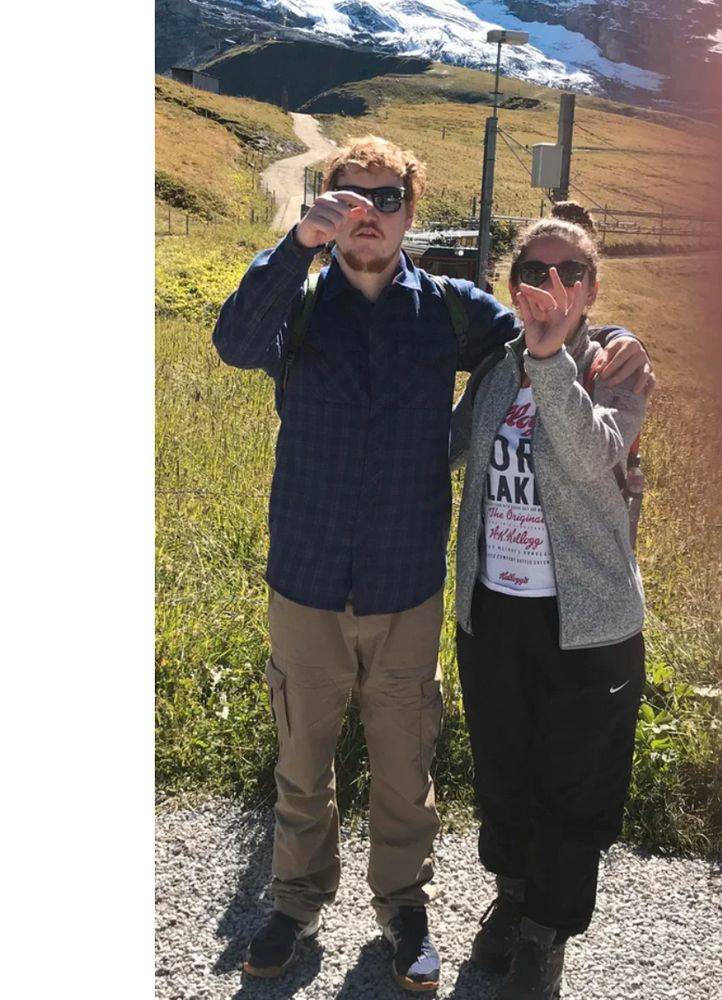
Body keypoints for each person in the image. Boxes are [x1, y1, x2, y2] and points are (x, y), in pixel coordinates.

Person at [211, 135, 654, 990]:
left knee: (406, 766)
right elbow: (233, 341)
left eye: (384, 198)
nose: (365, 213)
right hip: (303, 576)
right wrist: (294, 245)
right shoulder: (297, 305)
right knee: (302, 761)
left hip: (406, 584)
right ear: (325, 207)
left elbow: (550, 328)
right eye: (347, 197)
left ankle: (402, 905)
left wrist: (617, 338)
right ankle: (295, 902)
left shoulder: (453, 313)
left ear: (411, 214)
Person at [450, 212, 647, 1000]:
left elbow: (593, 453)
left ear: (592, 289)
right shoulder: (497, 369)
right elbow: (449, 445)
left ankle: (544, 934)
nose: (552, 286)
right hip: (496, 610)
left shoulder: (618, 367)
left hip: (590, 623)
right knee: (504, 771)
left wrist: (552, 360)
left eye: (570, 273)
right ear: (515, 284)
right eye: (536, 271)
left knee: (573, 785)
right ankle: (510, 896)